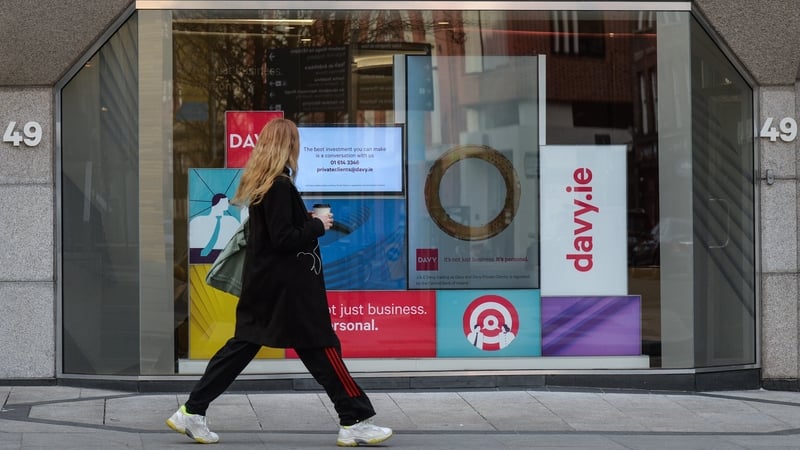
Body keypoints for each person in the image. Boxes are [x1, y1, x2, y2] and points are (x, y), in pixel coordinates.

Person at [167, 118, 393, 447]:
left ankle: (192, 411)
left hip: (268, 288)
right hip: (289, 293)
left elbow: (275, 235)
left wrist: (311, 222)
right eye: (296, 141)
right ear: (288, 146)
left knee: (242, 349)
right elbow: (284, 238)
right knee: (323, 349)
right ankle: (354, 419)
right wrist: (317, 224)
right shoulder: (279, 186)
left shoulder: (263, 185)